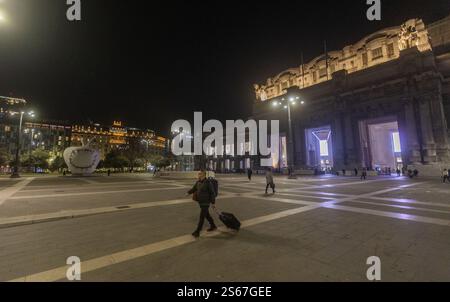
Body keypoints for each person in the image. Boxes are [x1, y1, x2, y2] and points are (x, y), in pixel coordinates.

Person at [187, 170, 217, 238]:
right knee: (207, 215)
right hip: (200, 201)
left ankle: (197, 231)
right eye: (199, 174)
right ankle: (213, 225)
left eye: (200, 174)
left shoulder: (208, 182)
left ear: (204, 175)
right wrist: (188, 193)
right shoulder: (198, 182)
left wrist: (213, 203)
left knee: (202, 217)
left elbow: (212, 193)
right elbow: (194, 189)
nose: (198, 175)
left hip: (206, 202)